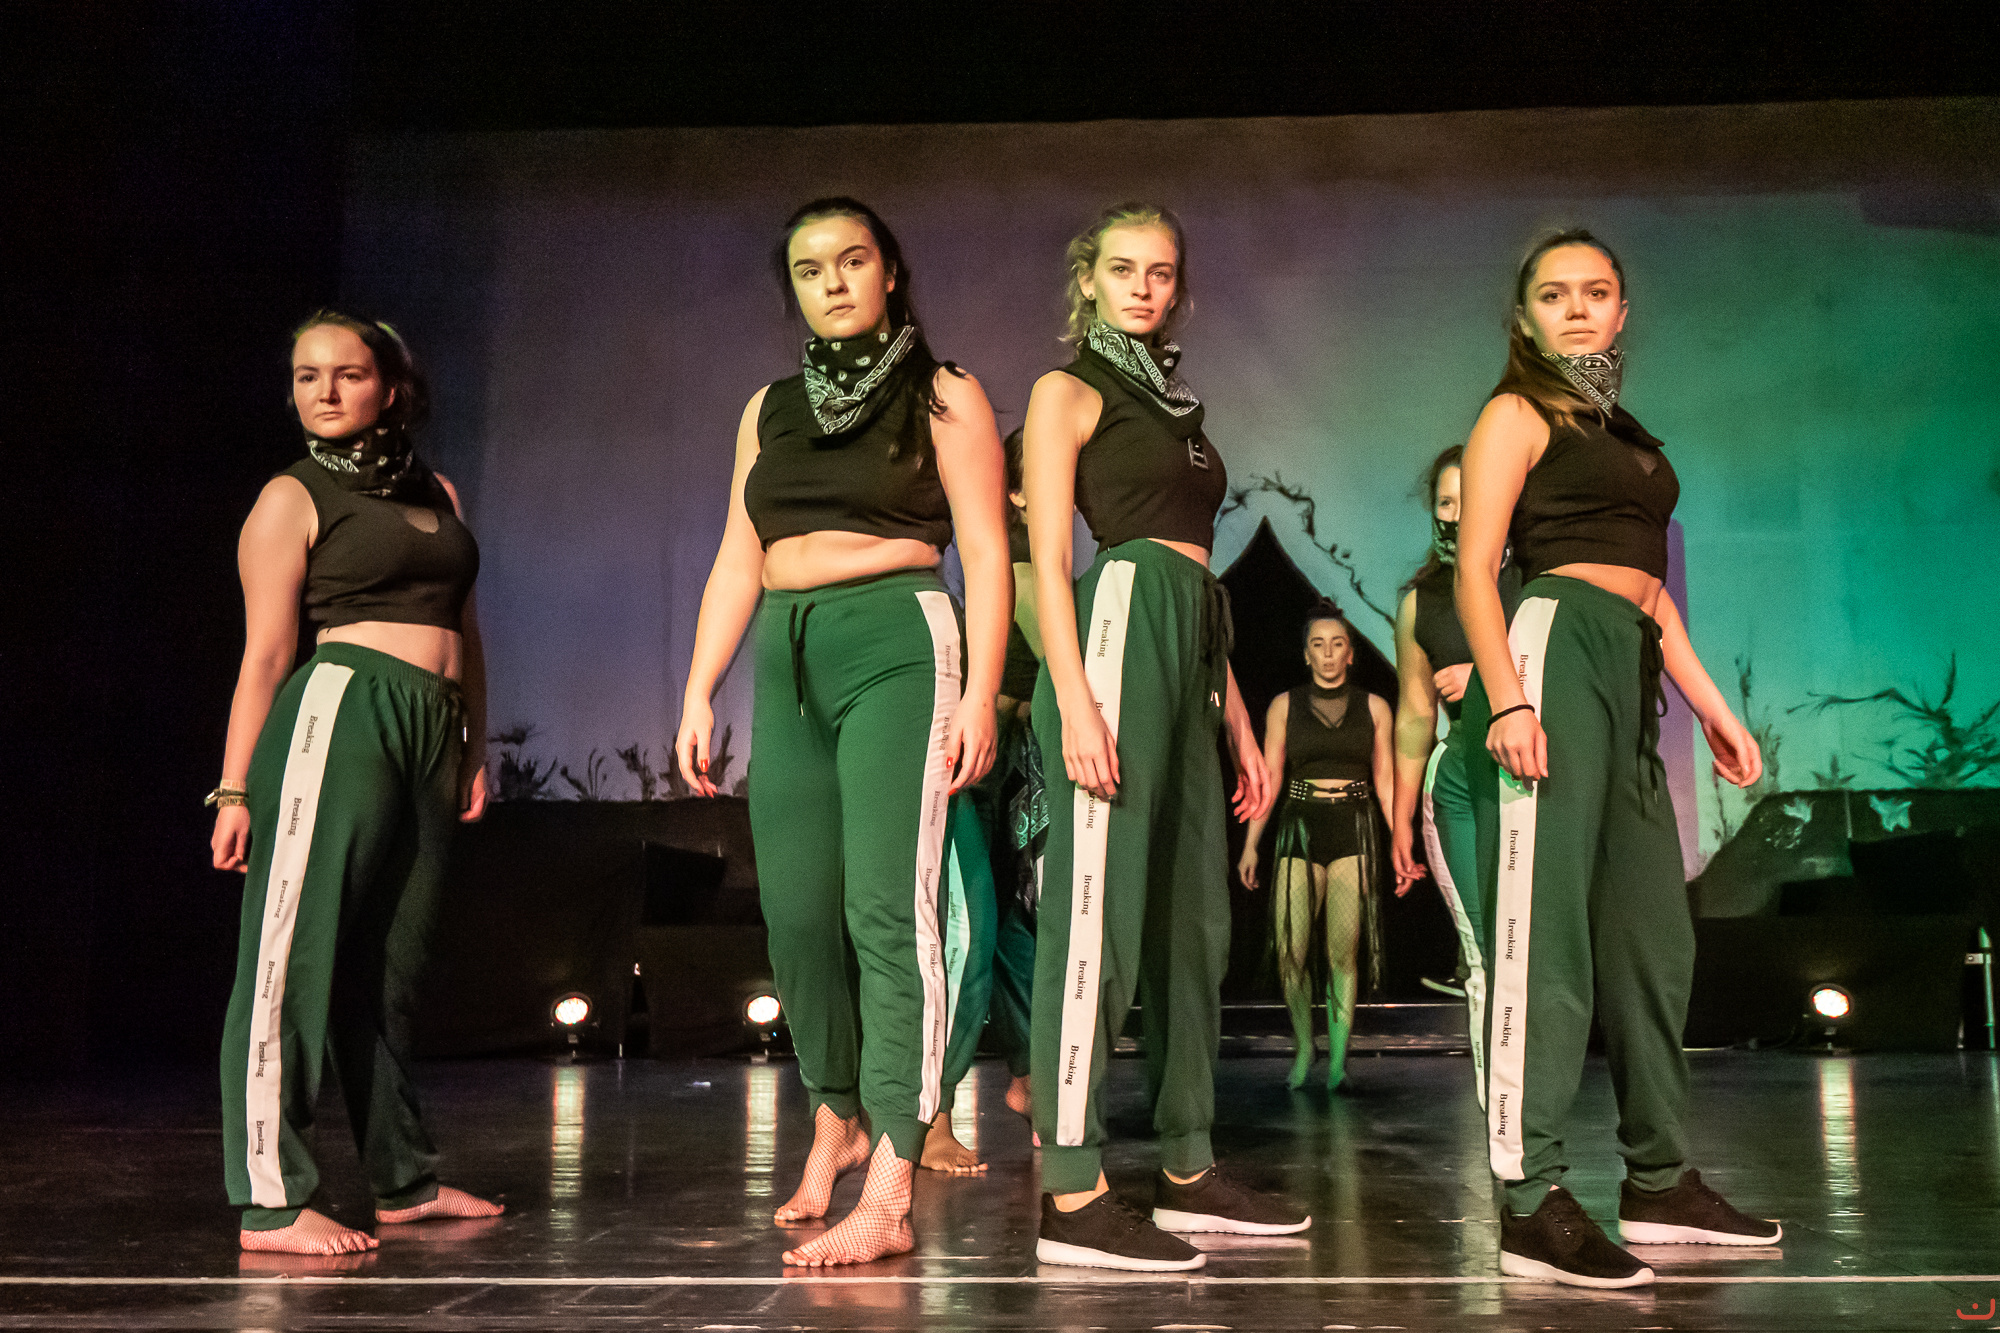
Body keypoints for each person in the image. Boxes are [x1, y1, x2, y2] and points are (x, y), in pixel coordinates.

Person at [674, 198, 1008, 1267]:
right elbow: (739, 553)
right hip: (787, 651)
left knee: (887, 912)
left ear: (889, 272)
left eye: (852, 260)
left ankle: (892, 1179)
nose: (832, 282)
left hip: (898, 641)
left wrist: (981, 693)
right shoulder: (766, 408)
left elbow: (986, 550)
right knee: (798, 912)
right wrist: (699, 687)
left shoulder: (943, 392)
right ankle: (836, 1110)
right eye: (810, 269)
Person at [1456, 230, 1781, 1288]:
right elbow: (1475, 570)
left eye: (1595, 292)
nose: (1577, 309)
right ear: (1524, 317)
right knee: (1544, 937)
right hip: (1551, 648)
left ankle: (1658, 1179)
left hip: (1631, 662)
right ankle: (1527, 1198)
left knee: (1651, 937)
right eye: (1554, 295)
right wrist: (1508, 696)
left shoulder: (1624, 432)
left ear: (1622, 310)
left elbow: (1651, 593)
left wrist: (1713, 708)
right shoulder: (1516, 414)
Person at [1024, 202, 1306, 1273]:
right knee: (1096, 919)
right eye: (1123, 269)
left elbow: (1195, 567)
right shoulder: (1067, 391)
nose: (1143, 287)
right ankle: (1070, 1187)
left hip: (1191, 641)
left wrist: (1236, 718)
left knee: (1195, 923)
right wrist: (1075, 697)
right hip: (1113, 629)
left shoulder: (1176, 405)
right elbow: (1050, 559)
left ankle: (1188, 1165)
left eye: (1160, 272)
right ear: (1087, 280)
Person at [211, 312, 503, 1256]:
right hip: (341, 711)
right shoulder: (291, 496)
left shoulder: (437, 490)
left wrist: (473, 745)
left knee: (390, 964)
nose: (325, 391)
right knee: (292, 956)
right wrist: (235, 790)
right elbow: (265, 655)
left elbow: (466, 631)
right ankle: (270, 1198)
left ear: (391, 387)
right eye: (307, 376)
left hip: (433, 724)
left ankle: (402, 1177)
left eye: (346, 373)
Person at [925, 428, 1044, 1173]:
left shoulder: (1044, 560)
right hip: (965, 771)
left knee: (1019, 936)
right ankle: (932, 1113)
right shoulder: (1012, 559)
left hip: (1016, 773)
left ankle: (1030, 1078)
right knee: (967, 937)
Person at [1389, 446, 1521, 1105]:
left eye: (1469, 500)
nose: (1456, 514)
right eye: (1445, 502)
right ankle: (1500, 1107)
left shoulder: (1532, 581)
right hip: (1461, 785)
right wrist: (1400, 817)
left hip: (1532, 777)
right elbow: (1415, 715)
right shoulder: (1422, 603)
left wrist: (1487, 678)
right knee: (1486, 952)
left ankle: (1536, 1101)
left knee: (1533, 946)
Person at [1238, 602, 1394, 1092]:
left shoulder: (1375, 707)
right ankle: (1305, 1045)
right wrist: (1250, 845)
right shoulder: (1284, 706)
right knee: (1291, 951)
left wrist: (1402, 842)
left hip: (1353, 828)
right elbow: (1269, 777)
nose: (1328, 654)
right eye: (1318, 645)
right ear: (1306, 654)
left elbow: (1387, 781)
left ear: (1351, 654)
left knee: (1342, 953)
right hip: (1300, 829)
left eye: (1337, 644)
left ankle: (1338, 1062)